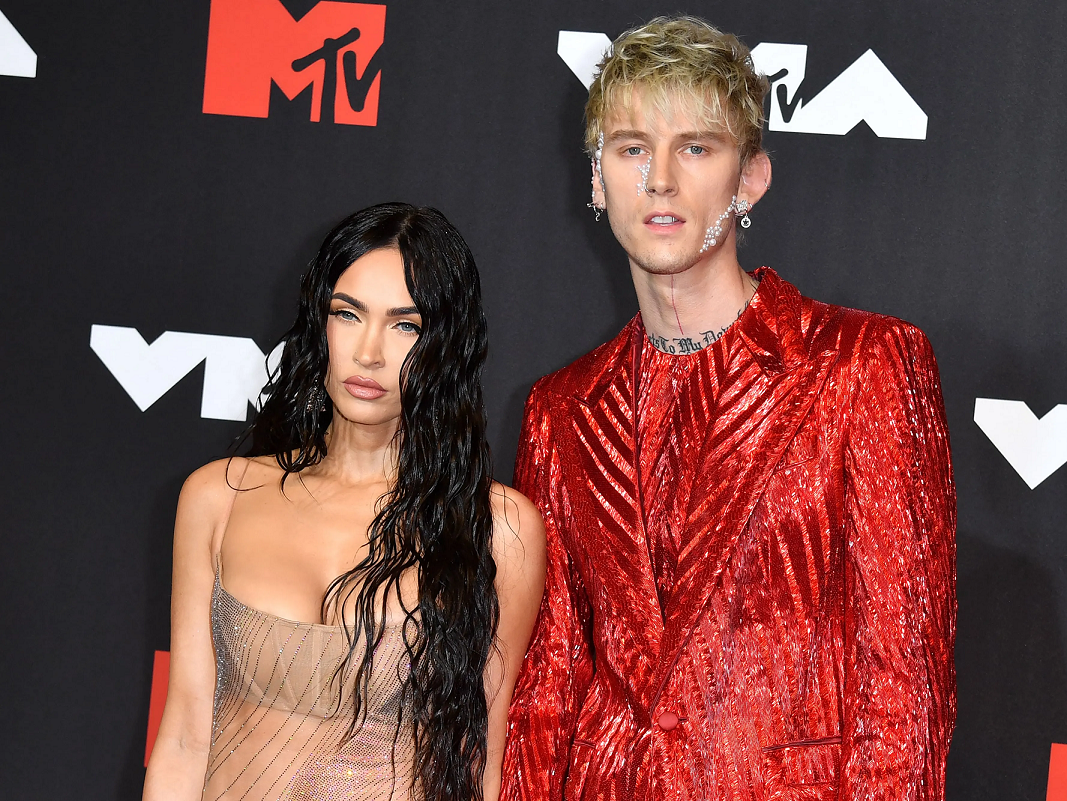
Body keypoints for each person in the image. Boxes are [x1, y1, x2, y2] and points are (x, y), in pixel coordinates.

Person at [501, 16, 955, 801]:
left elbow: (903, 687)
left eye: (695, 148)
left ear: (749, 179)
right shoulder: (560, 410)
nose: (659, 179)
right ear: (596, 179)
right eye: (631, 148)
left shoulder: (862, 364)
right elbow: (547, 685)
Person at [143, 203, 546, 801]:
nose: (369, 352)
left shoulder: (497, 529)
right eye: (348, 314)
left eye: (405, 326)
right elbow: (184, 736)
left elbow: (476, 759)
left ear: (446, 346)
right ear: (319, 323)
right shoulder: (219, 496)